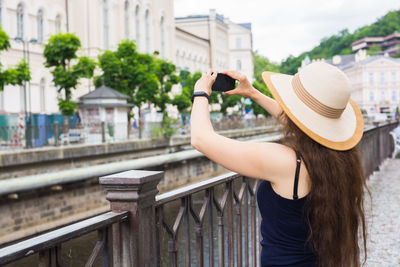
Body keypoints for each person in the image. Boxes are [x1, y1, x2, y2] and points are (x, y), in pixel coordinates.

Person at [190, 62, 368, 267]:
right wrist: (253, 94)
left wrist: (201, 93)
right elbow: (305, 127)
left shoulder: (285, 162)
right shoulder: (340, 157)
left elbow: (201, 139)